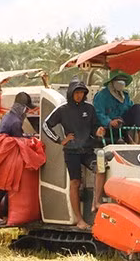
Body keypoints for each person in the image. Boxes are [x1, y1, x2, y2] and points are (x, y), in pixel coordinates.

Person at [43, 76, 106, 229]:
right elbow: (46, 125)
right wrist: (60, 140)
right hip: (71, 151)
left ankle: (96, 202)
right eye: (76, 92)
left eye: (82, 92)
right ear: (71, 93)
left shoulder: (89, 109)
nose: (79, 95)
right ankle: (79, 219)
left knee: (101, 168)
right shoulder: (63, 109)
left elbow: (94, 127)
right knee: (75, 183)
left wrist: (98, 131)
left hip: (87, 149)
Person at [0, 91, 36, 225]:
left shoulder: (8, 116)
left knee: (4, 186)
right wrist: (31, 138)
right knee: (3, 186)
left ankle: (3, 215)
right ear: (21, 107)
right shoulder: (15, 121)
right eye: (26, 108)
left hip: (4, 153)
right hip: (8, 155)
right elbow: (19, 139)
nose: (26, 112)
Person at [93, 70, 140, 144]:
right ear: (112, 82)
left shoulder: (125, 96)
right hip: (109, 128)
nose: (121, 84)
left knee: (137, 107)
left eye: (123, 81)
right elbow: (98, 113)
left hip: (123, 123)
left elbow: (132, 111)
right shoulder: (102, 95)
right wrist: (109, 122)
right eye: (119, 81)